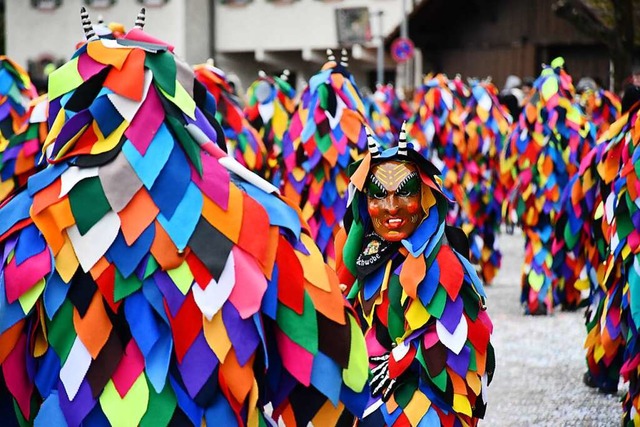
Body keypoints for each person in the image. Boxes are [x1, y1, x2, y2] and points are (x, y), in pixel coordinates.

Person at [335, 124, 494, 426]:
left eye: (403, 193)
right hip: (371, 384)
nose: (391, 207)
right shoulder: (368, 254)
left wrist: (400, 359)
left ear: (424, 198)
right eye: (377, 196)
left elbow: (452, 334)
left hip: (423, 392)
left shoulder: (444, 261)